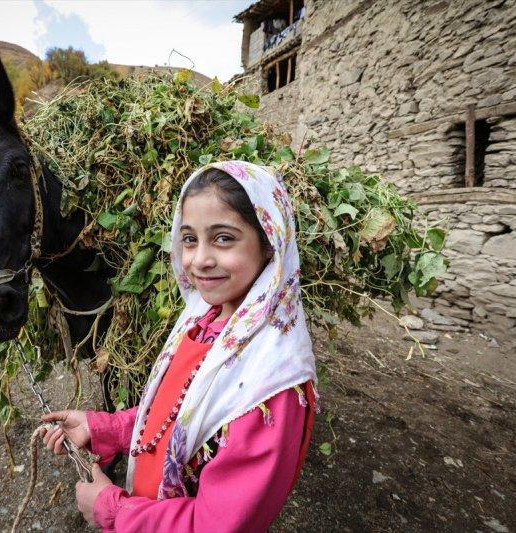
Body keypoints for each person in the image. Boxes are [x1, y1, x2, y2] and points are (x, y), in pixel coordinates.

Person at [41, 161, 318, 532]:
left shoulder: (270, 385)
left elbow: (216, 524)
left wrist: (114, 510)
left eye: (223, 238)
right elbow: (180, 414)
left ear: (270, 242)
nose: (200, 260)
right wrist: (103, 427)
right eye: (189, 239)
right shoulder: (205, 321)